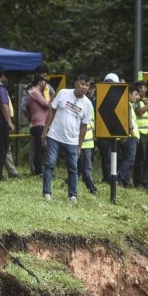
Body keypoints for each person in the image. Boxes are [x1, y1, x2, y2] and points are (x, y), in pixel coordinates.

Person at [41, 74, 93, 203]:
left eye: (87, 85)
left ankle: (72, 195)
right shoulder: (63, 93)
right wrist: (45, 129)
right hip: (54, 135)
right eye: (82, 84)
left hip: (72, 140)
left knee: (73, 168)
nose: (84, 87)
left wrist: (79, 146)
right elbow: (51, 111)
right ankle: (47, 193)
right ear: (76, 84)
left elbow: (84, 127)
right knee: (50, 163)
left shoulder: (87, 104)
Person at [96, 72, 120, 182]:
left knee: (108, 158)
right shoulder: (118, 98)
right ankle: (109, 179)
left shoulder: (98, 98)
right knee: (108, 158)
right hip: (109, 133)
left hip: (105, 133)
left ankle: (109, 178)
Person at [117, 85, 141, 187]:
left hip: (128, 136)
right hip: (130, 136)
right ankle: (119, 179)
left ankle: (125, 182)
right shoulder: (126, 105)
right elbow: (129, 121)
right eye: (135, 94)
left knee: (127, 159)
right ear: (128, 94)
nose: (137, 97)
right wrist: (133, 134)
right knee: (129, 159)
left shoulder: (128, 104)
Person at [27, 74, 50, 176]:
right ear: (40, 82)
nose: (46, 85)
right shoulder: (35, 92)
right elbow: (47, 105)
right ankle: (39, 171)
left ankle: (40, 170)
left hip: (38, 124)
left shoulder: (34, 92)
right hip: (39, 124)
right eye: (45, 83)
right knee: (40, 149)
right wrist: (54, 97)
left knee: (40, 148)